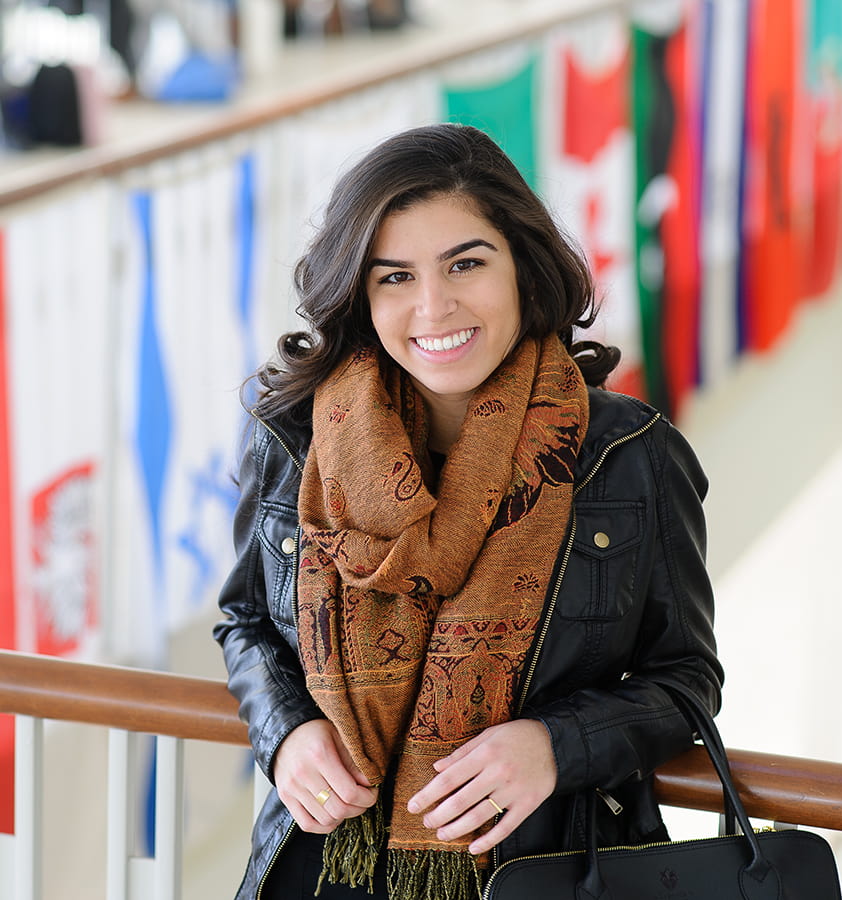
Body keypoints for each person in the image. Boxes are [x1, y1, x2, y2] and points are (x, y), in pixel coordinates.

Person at [214, 122, 723, 900]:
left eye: (466, 264)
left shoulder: (630, 457)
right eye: (394, 277)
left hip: (538, 872)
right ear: (360, 293)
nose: (433, 306)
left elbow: (686, 679)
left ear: (522, 264)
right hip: (321, 874)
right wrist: (286, 734)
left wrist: (557, 745)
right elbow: (245, 622)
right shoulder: (294, 439)